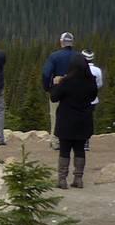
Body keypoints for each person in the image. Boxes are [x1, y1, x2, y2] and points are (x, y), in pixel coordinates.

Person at [50, 55, 99, 188]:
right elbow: (93, 96)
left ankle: (62, 179)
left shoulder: (66, 82)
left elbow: (54, 97)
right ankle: (78, 178)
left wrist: (56, 84)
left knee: (64, 149)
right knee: (80, 149)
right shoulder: (91, 82)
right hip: (84, 119)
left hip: (66, 119)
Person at [41, 33, 79, 147]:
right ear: (72, 42)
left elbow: (46, 73)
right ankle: (72, 140)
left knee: (55, 114)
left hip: (58, 88)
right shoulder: (78, 56)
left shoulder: (54, 56)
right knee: (74, 114)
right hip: (74, 90)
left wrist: (47, 87)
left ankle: (56, 141)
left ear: (61, 42)